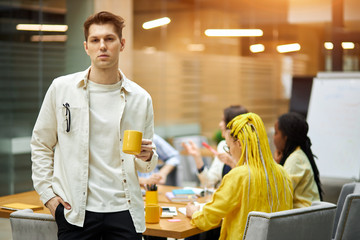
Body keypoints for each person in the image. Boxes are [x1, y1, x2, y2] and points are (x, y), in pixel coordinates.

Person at [31, 11, 158, 240]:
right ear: (86, 46)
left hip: (124, 210)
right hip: (75, 211)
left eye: (109, 39)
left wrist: (147, 157)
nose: (102, 46)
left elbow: (146, 166)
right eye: (95, 40)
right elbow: (41, 144)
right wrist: (48, 197)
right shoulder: (62, 89)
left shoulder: (140, 98)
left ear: (122, 44)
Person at [186, 113, 293, 240]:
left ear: (239, 144)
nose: (229, 152)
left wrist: (194, 213)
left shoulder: (239, 176)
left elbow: (207, 218)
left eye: (228, 146)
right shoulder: (282, 173)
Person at [181, 105, 248, 188]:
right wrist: (197, 156)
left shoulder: (249, 150)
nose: (220, 124)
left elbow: (246, 184)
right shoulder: (223, 145)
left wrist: (231, 163)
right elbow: (208, 182)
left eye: (223, 120)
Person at [273, 112, 323, 208]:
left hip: (304, 219)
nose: (273, 137)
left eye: (276, 133)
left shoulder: (295, 160)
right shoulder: (298, 154)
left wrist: (276, 166)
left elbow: (279, 195)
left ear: (285, 137)